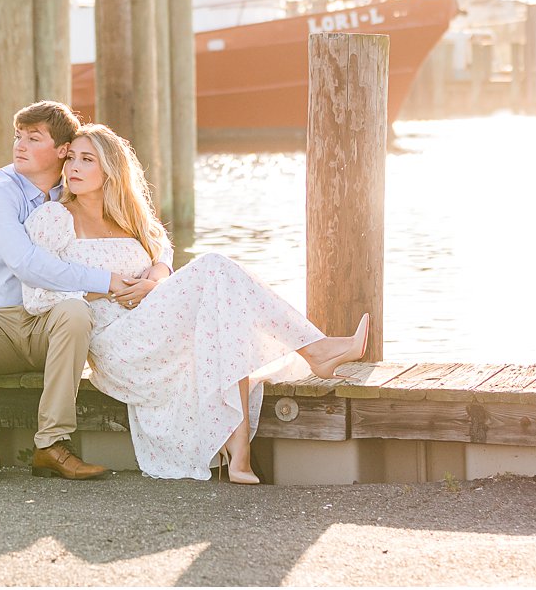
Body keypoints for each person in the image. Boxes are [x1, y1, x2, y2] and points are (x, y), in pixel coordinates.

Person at [22, 123, 371, 483]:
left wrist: (155, 279)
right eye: (72, 159)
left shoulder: (130, 220)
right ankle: (316, 351)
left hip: (152, 325)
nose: (73, 167)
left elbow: (164, 255)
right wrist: (106, 288)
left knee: (224, 311)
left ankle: (240, 456)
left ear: (111, 169)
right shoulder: (54, 219)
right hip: (113, 342)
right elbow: (37, 297)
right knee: (215, 268)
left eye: (87, 159)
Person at [0, 101, 151, 483]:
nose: (20, 145)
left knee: (75, 312)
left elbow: (136, 226)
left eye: (34, 138)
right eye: (18, 136)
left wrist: (159, 268)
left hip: (48, 326)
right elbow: (25, 262)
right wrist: (106, 280)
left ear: (62, 150)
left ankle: (52, 445)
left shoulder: (75, 189)